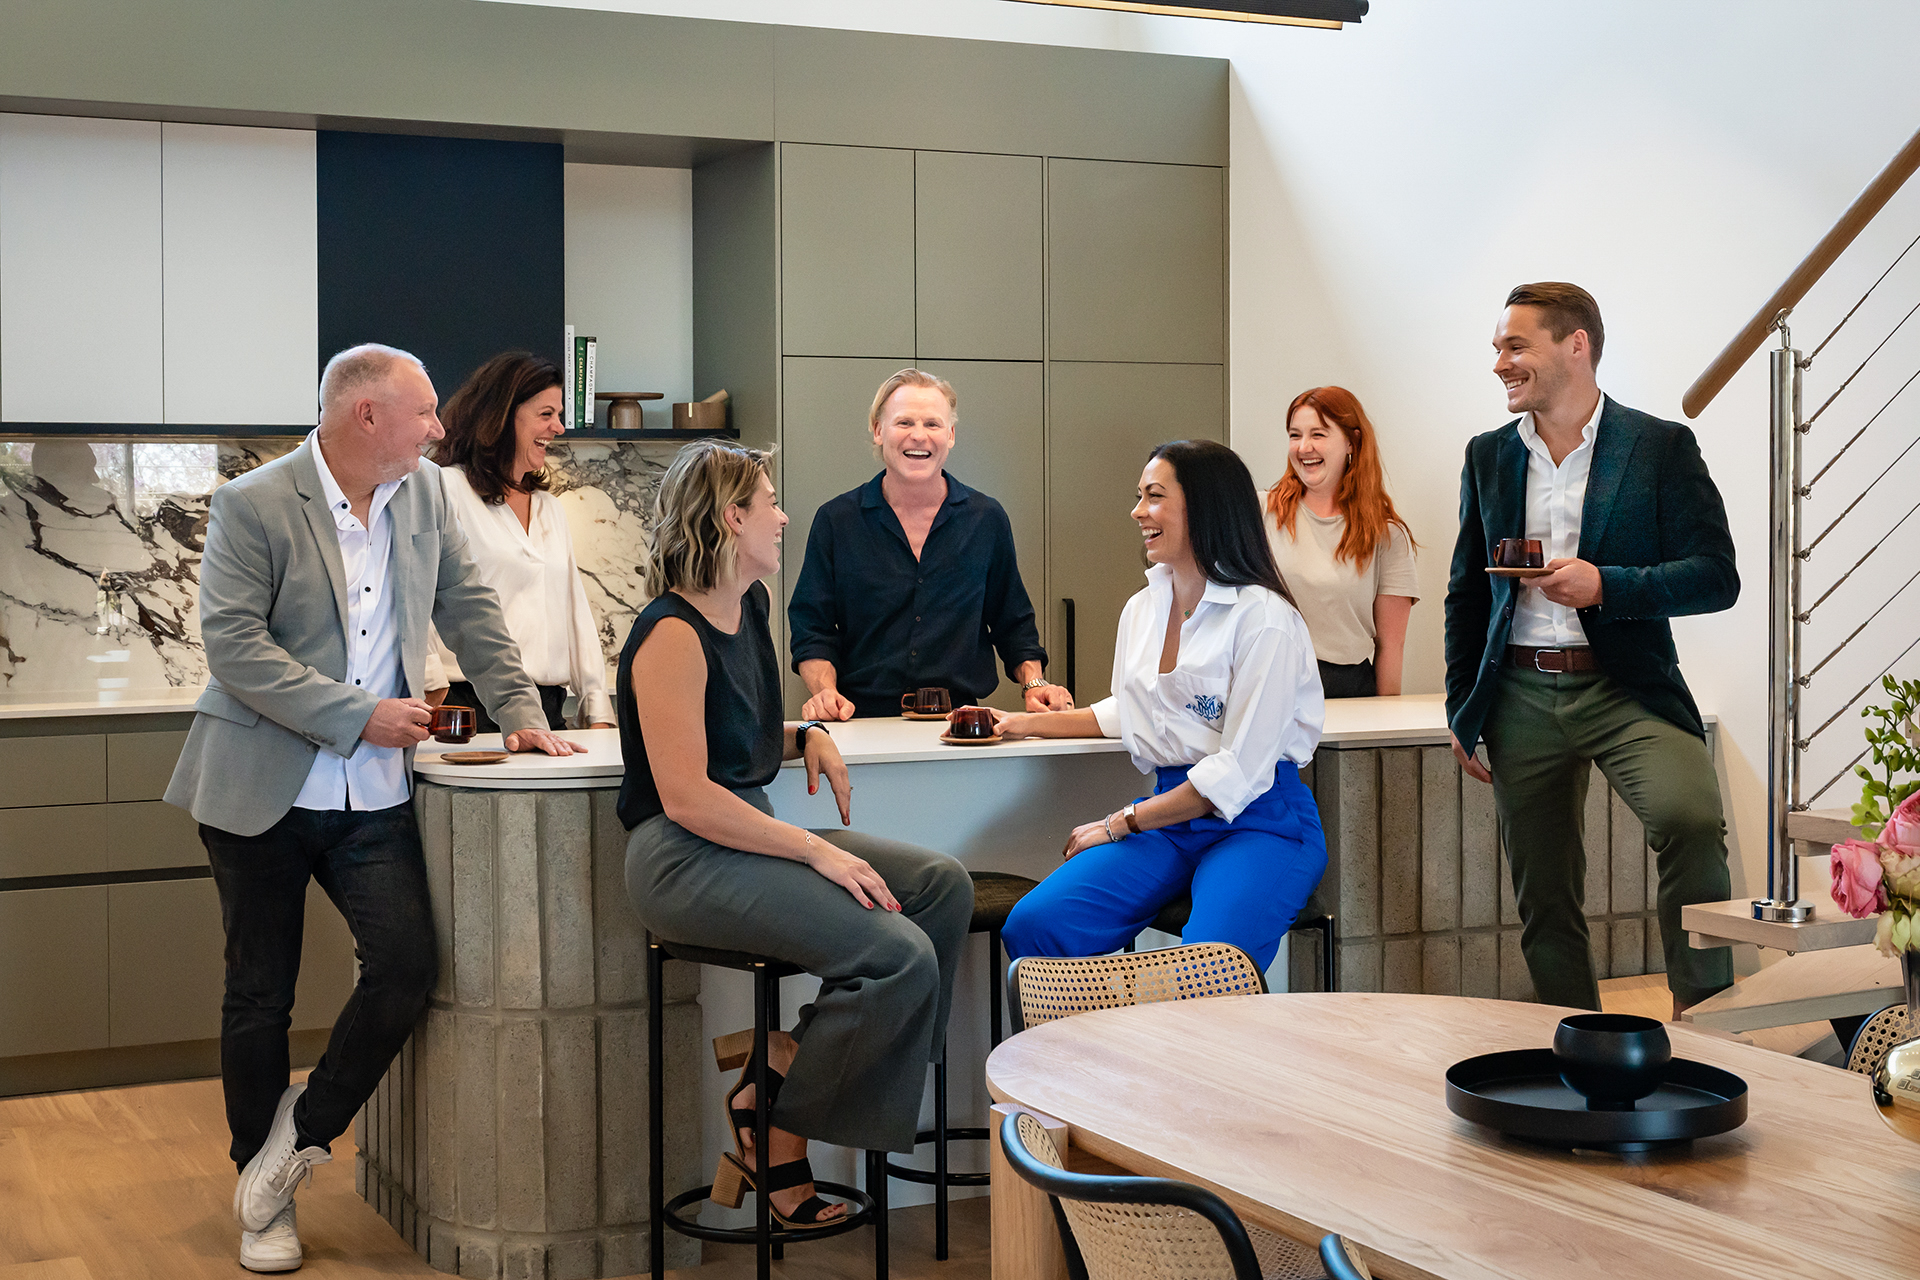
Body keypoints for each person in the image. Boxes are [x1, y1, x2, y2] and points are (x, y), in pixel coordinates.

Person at [164, 344, 583, 1274]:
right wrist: (359, 714)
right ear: (366, 418)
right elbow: (234, 647)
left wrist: (522, 715)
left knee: (403, 967)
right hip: (262, 788)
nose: (439, 427)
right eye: (424, 412)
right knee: (259, 994)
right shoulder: (255, 501)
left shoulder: (425, 496)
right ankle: (259, 1203)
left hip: (372, 799)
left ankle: (291, 1148)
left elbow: (469, 606)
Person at [618, 440, 972, 1227]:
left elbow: (733, 741)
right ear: (731, 517)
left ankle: (782, 1076)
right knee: (895, 953)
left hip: (739, 837)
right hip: (683, 861)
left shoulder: (744, 609)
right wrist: (818, 848)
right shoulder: (671, 631)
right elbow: (686, 796)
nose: (783, 518)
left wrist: (801, 735)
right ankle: (777, 1104)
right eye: (770, 503)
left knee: (942, 887)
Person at [1445, 282, 1737, 1018]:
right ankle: (1575, 1035)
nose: (1500, 363)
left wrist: (1607, 584)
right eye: (1498, 349)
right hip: (1517, 692)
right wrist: (1463, 705)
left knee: (1691, 818)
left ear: (1576, 345)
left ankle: (1707, 1026)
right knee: (1542, 888)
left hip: (1624, 687)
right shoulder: (1488, 457)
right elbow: (1465, 592)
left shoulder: (1660, 447)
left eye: (1516, 346)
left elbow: (1716, 577)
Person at [995, 440, 1327, 972]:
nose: (1137, 512)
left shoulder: (1264, 618)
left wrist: (1120, 822)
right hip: (1171, 818)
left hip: (1261, 821)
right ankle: (1096, 1054)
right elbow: (1134, 712)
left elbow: (1238, 771)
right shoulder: (1143, 607)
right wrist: (1020, 725)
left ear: (1204, 506)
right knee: (1038, 926)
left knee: (1209, 967)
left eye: (1153, 497)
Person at [788, 368, 1071, 720]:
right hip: (860, 721)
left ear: (950, 435)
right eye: (904, 423)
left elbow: (1013, 624)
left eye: (933, 425)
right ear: (878, 431)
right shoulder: (836, 520)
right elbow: (811, 627)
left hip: (963, 722)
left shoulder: (986, 519)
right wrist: (824, 691)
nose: (918, 436)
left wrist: (1034, 683)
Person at [423, 351, 615, 731]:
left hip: (548, 709)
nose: (558, 428)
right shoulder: (447, 489)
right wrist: (433, 688)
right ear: (501, 417)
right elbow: (417, 597)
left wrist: (597, 712)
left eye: (558, 416)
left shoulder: (550, 509)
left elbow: (575, 615)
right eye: (546, 415)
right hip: (469, 708)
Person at [1265, 386, 1419, 698]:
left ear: (1352, 441)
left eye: (1318, 434)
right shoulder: (1260, 513)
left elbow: (1391, 645)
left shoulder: (1386, 534)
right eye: (1295, 435)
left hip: (1346, 689)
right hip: (1269, 682)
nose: (1304, 447)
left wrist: (1384, 729)